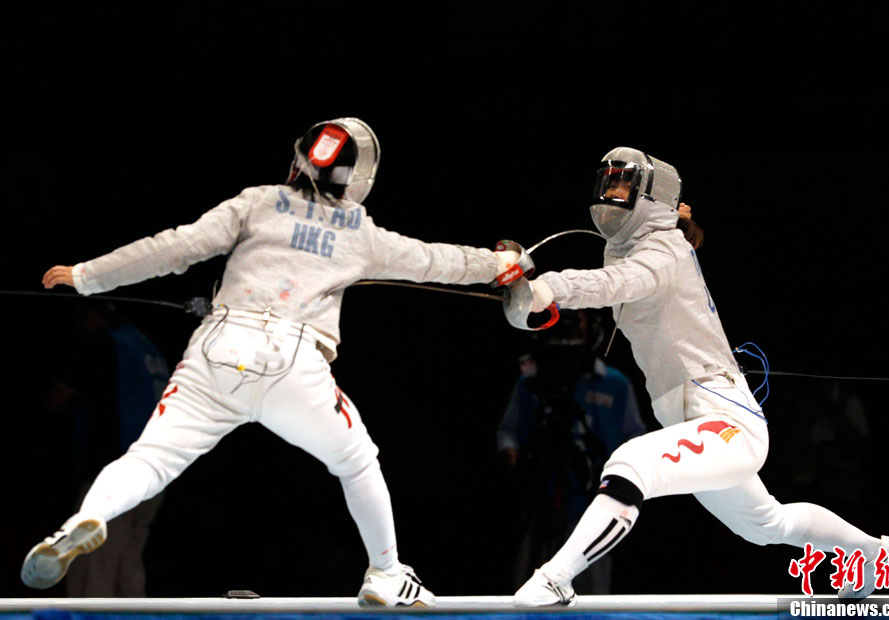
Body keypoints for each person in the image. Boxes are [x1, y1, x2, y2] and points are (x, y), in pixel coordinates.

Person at [22, 118, 520, 607]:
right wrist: (502, 264)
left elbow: (175, 246)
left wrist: (87, 275)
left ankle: (85, 519)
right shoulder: (361, 233)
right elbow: (436, 260)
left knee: (150, 458)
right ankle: (386, 574)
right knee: (356, 461)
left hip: (219, 347)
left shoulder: (257, 202)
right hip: (293, 362)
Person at [503, 147, 889, 605]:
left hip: (725, 418)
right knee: (766, 524)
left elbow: (617, 284)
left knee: (632, 464)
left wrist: (547, 288)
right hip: (686, 418)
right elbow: (610, 283)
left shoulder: (664, 250)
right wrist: (531, 296)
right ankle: (874, 552)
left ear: (650, 197)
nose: (611, 195)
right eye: (608, 184)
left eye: (622, 186)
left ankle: (557, 577)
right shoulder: (625, 251)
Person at [497, 309, 645, 594]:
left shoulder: (615, 384)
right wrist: (511, 456)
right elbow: (508, 432)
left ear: (591, 327)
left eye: (575, 319)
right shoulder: (532, 381)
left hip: (593, 506)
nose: (567, 327)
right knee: (527, 589)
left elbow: (636, 441)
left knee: (592, 595)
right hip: (537, 506)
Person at [44, 301, 170, 596]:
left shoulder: (104, 345)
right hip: (155, 476)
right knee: (127, 571)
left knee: (94, 571)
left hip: (114, 478)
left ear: (95, 315)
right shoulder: (147, 347)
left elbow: (56, 399)